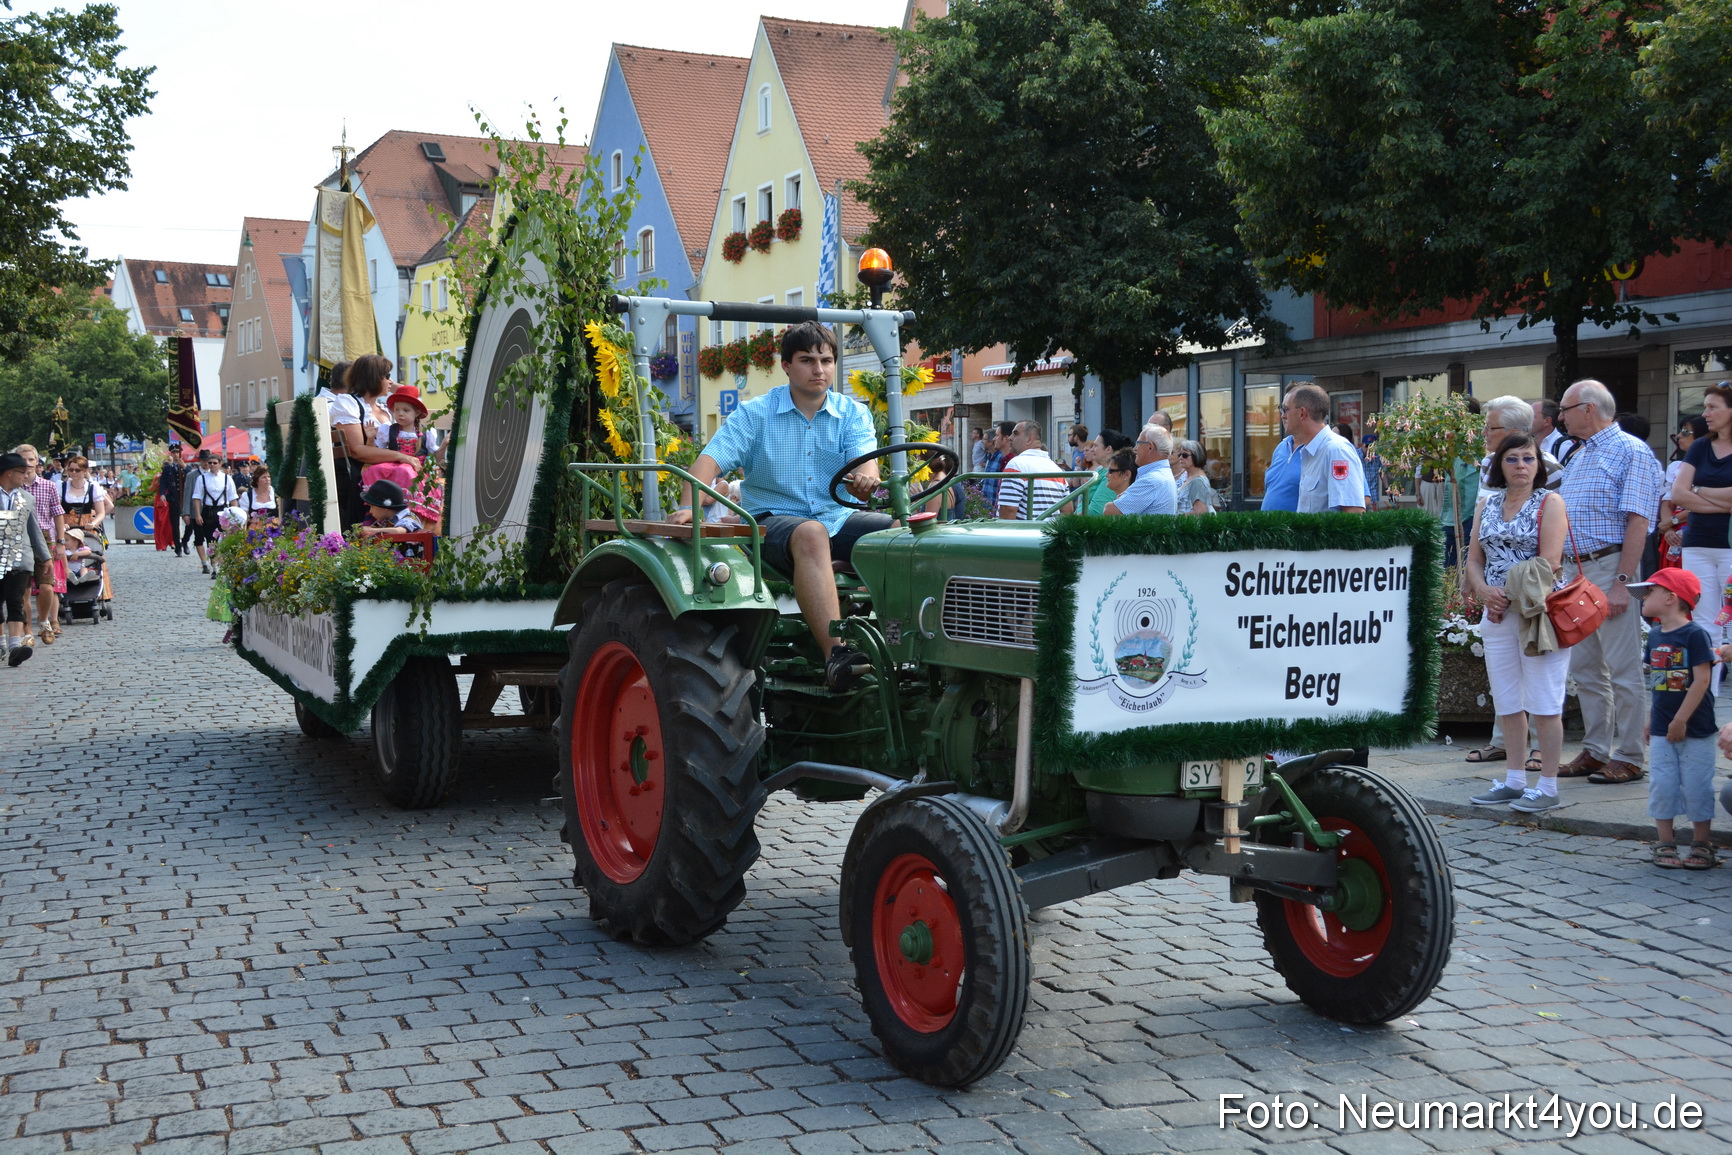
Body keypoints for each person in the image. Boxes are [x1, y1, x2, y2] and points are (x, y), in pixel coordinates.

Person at [670, 321, 884, 690]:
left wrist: (865, 479)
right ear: (786, 365)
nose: (819, 370)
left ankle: (910, 644)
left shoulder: (852, 413)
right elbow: (709, 461)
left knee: (902, 535)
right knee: (811, 533)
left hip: (839, 516)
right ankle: (837, 656)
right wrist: (689, 506)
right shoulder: (756, 414)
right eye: (807, 360)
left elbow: (865, 470)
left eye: (826, 361)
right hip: (772, 520)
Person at [1555, 378, 1666, 785]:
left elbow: (1638, 521)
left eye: (1565, 409)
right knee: (1585, 667)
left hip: (1610, 565)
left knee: (1622, 666)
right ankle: (1596, 749)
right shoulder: (1580, 454)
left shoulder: (1631, 451)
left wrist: (1622, 582)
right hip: (1576, 571)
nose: (1560, 417)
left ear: (1588, 408)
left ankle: (1631, 755)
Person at [1464, 434, 1571, 813]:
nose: (1521, 465)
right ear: (1500, 465)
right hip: (1496, 613)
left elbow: (1550, 562)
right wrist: (1482, 591)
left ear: (1539, 465)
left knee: (1544, 701)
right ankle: (1513, 780)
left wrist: (1503, 596)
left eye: (1529, 458)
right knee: (1507, 700)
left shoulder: (1550, 502)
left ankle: (1548, 785)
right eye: (1512, 459)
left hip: (1537, 614)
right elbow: (1474, 558)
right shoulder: (1487, 504)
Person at [1627, 569, 1718, 868]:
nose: (1643, 598)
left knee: (1697, 786)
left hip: (1696, 727)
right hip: (1662, 728)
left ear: (1670, 598)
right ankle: (1665, 842)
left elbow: (1702, 680)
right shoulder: (1654, 635)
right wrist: (1652, 718)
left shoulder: (1695, 634)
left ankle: (1701, 843)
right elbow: (1659, 682)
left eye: (1649, 592)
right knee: (1662, 784)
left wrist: (1680, 720)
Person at [1665, 384, 1732, 694]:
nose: (1705, 413)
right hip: (1698, 544)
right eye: (1705, 406)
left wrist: (1698, 491)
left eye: (1713, 407)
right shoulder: (1701, 447)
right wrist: (1723, 502)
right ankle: (1706, 696)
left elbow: (1688, 492)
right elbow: (1678, 494)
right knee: (1705, 623)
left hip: (1729, 546)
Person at [1282, 383, 1366, 514]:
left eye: (1285, 409)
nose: (1283, 416)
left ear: (1302, 413)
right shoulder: (1310, 451)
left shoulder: (1336, 450)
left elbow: (1353, 512)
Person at [0, 452, 50, 666]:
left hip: (20, 559)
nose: (26, 476)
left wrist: (45, 557)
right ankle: (1, 644)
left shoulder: (27, 498)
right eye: (23, 472)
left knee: (16, 601)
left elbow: (34, 530)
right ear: (9, 473)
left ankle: (14, 647)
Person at [14, 445, 66, 646]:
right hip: (20, 539)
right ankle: (27, 629)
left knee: (46, 586)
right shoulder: (13, 487)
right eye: (23, 460)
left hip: (44, 538)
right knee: (24, 590)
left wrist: (60, 541)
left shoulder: (48, 486)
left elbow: (57, 514)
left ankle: (44, 620)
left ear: (37, 462)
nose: (27, 464)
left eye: (31, 460)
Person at [1657, 414, 1708, 571]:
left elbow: (1706, 503)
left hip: (1697, 528)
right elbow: (1668, 502)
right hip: (1673, 534)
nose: (1679, 436)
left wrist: (1672, 521)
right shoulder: (1676, 466)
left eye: (1686, 432)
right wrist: (1668, 528)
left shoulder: (1710, 466)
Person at [997, 421, 1067, 520]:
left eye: (1016, 433)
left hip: (1024, 529)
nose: (1010, 438)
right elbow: (1067, 510)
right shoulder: (1056, 469)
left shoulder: (1016, 465)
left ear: (1029, 439)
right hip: (1048, 529)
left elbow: (1008, 510)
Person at [1104, 424, 1177, 516]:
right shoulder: (1161, 475)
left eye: (1138, 444)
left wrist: (1116, 502)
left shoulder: (1151, 481)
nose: (1135, 448)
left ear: (1150, 447)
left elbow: (1110, 512)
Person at [187, 450, 237, 575]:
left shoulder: (227, 478)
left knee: (223, 538)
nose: (212, 465)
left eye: (215, 463)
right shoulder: (202, 478)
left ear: (220, 464)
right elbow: (197, 497)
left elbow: (233, 498)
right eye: (210, 463)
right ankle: (215, 566)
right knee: (211, 540)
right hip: (208, 511)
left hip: (223, 510)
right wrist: (198, 515)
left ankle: (221, 564)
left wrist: (235, 515)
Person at [1079, 429, 1133, 516]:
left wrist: (1071, 520)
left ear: (1108, 449)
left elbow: (1095, 512)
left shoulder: (1111, 475)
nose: (1092, 450)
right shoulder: (1101, 471)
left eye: (1095, 446)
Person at [58, 456, 111, 538]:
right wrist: (61, 524)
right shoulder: (61, 487)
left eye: (77, 470)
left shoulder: (93, 487)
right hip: (67, 530)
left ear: (85, 471)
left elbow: (101, 512)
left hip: (87, 530)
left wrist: (94, 523)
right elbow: (56, 511)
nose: (74, 472)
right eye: (71, 470)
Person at [356, 479, 423, 537]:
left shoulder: (408, 518)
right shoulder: (386, 521)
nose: (370, 511)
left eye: (372, 507)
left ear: (385, 507)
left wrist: (373, 531)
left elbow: (398, 531)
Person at [1172, 439, 1214, 515]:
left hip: (1187, 522)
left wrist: (1175, 518)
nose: (1180, 458)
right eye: (1180, 454)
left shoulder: (1198, 481)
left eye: (1185, 455)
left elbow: (1199, 512)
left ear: (1196, 456)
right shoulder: (1191, 478)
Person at [157, 455, 186, 555]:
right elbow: (163, 482)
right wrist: (162, 494)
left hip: (185, 499)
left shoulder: (185, 467)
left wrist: (184, 467)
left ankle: (185, 541)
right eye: (174, 453)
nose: (176, 455)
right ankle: (178, 547)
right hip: (173, 498)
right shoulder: (168, 468)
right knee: (175, 524)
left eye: (177, 452)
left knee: (190, 524)